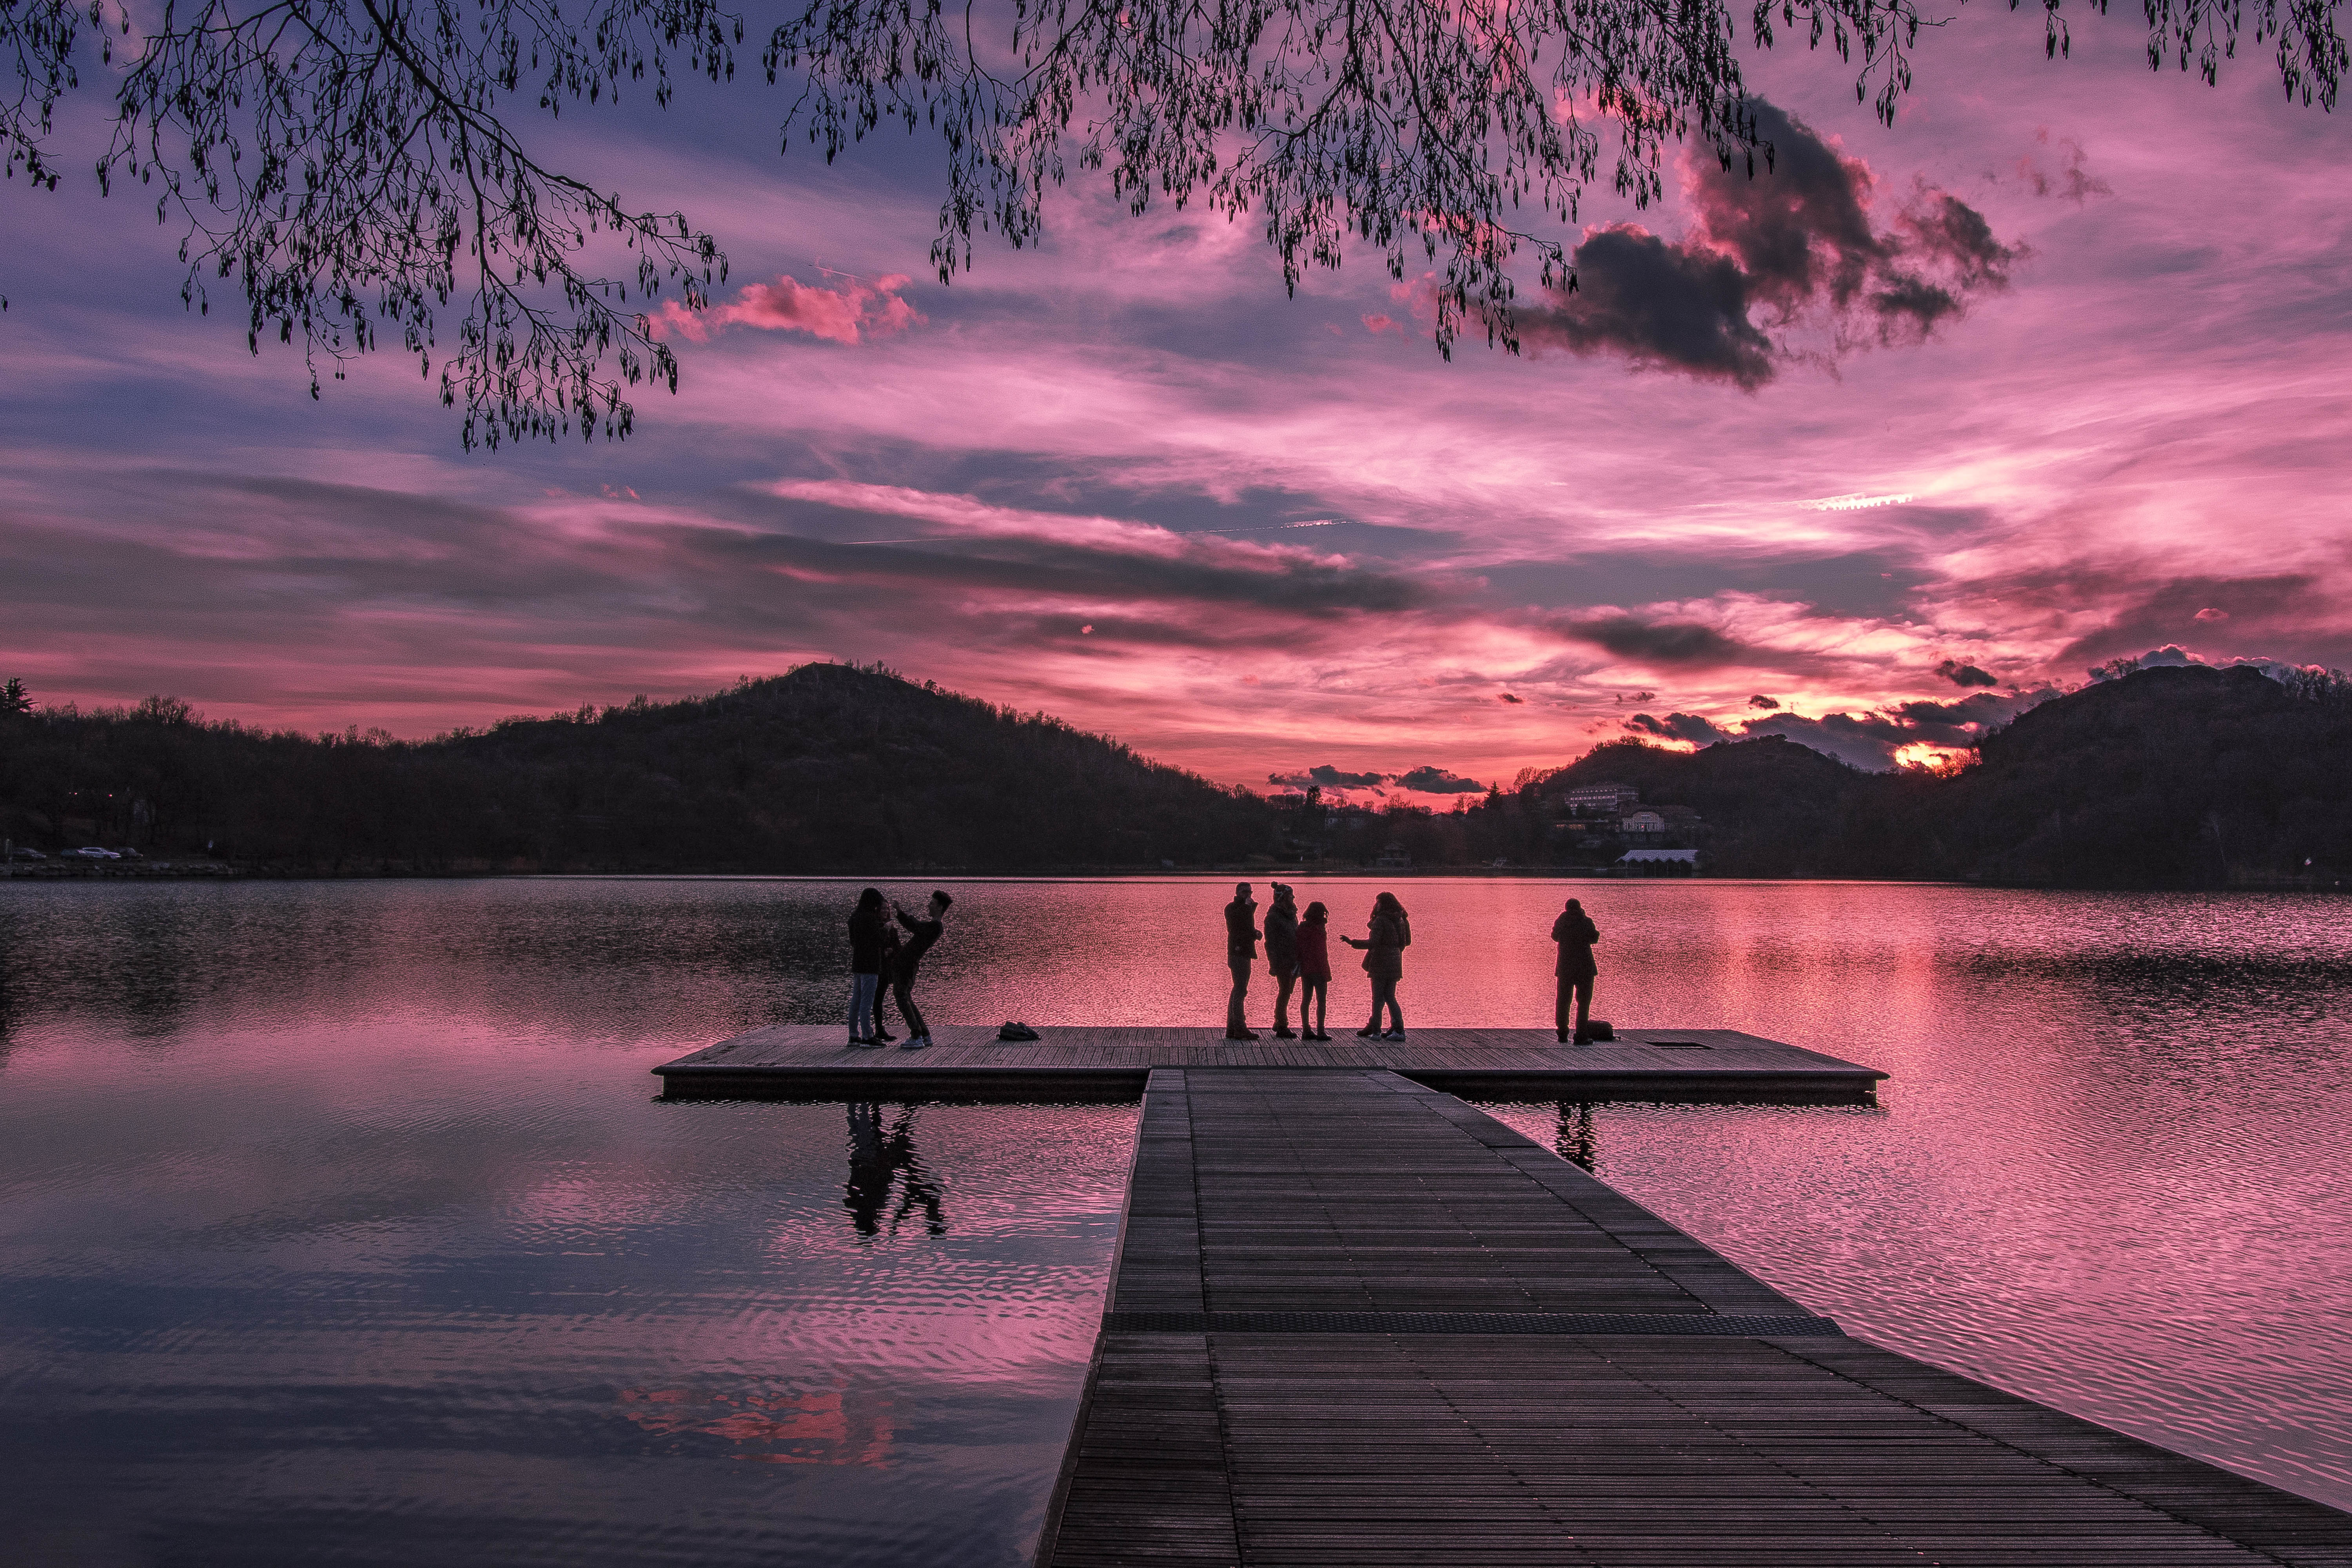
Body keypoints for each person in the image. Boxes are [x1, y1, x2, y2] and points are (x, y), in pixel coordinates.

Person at [890, 890, 953, 1050]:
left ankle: (916, 1036)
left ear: (940, 907)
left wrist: (899, 911)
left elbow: (915, 926)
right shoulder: (933, 926)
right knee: (906, 997)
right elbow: (917, 926)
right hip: (906, 964)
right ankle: (924, 1034)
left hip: (907, 965)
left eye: (932, 903)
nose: (929, 906)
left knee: (901, 997)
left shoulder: (936, 926)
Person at [1342, 891, 1410, 1038]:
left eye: (1378, 902)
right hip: (1396, 963)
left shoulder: (1381, 920)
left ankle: (1377, 1031)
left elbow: (1373, 943)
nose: (1376, 905)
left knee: (1378, 998)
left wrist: (1352, 942)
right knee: (1390, 997)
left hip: (1380, 962)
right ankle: (1398, 1029)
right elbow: (1407, 942)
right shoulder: (1401, 919)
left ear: (1382, 904)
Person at [1553, 897, 1601, 1044]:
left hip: (1565, 968)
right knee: (1584, 1002)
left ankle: (1562, 1033)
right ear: (1579, 908)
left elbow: (1555, 936)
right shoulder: (1585, 921)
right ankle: (1581, 1035)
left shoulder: (1561, 921)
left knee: (1563, 1001)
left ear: (1566, 908)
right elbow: (1594, 938)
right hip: (1585, 968)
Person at [847, 887, 888, 1047]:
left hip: (857, 963)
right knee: (867, 1001)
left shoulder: (855, 918)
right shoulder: (870, 918)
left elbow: (853, 942)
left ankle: (853, 1035)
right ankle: (867, 1036)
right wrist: (885, 930)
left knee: (856, 1001)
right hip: (870, 965)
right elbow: (879, 941)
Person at [1223, 882, 1261, 1040]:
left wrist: (1255, 934)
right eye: (1244, 892)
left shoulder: (1246, 908)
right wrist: (1247, 907)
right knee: (1240, 990)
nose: (1248, 895)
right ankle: (1239, 1028)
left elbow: (1244, 929)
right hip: (1237, 953)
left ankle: (1232, 1028)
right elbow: (1235, 927)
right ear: (1238, 892)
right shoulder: (1231, 908)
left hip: (1245, 952)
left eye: (1250, 892)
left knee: (1238, 990)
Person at [1264, 884, 1301, 1038]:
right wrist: (1273, 963)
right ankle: (1282, 1024)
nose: (1292, 898)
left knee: (1288, 991)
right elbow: (1270, 943)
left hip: (1294, 959)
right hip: (1282, 960)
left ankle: (1278, 1020)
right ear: (1282, 898)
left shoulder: (1292, 915)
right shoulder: (1272, 917)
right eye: (1289, 896)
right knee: (1285, 991)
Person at [1295, 900, 1332, 1040]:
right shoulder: (1318, 929)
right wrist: (1325, 971)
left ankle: (1306, 1029)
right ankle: (1321, 1031)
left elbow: (1299, 949)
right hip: (1319, 968)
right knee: (1321, 1001)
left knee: (1306, 999)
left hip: (1306, 968)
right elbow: (1320, 952)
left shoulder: (1302, 928)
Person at [871, 915, 904, 1042]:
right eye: (883, 908)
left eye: (887, 908)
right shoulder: (876, 927)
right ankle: (876, 1030)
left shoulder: (892, 929)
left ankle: (880, 1030)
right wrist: (882, 953)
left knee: (879, 999)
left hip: (886, 969)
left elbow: (898, 948)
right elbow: (872, 946)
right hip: (876, 968)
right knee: (875, 999)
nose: (885, 911)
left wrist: (892, 951)